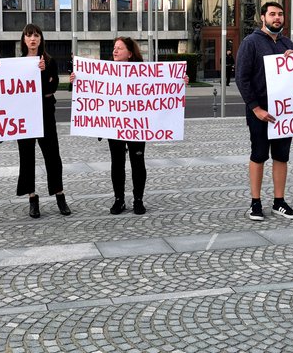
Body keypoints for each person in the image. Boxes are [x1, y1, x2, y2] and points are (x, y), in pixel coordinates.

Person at [70, 37, 189, 215]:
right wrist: (76, 80)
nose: (115, 51)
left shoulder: (143, 73)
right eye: (114, 48)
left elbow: (162, 85)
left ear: (130, 53)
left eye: (119, 48)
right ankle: (119, 200)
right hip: (115, 126)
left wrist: (180, 81)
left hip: (137, 126)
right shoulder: (105, 72)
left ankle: (138, 200)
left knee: (137, 162)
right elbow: (91, 90)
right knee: (117, 163)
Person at [235, 2, 293, 221]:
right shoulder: (250, 42)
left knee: (282, 156)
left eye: (281, 14)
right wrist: (256, 108)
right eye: (272, 14)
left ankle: (279, 202)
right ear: (263, 17)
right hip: (260, 112)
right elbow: (242, 78)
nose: (277, 18)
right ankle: (255, 203)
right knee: (259, 155)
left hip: (284, 112)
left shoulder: (287, 43)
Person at [16, 24, 71, 218]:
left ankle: (60, 195)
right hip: (24, 115)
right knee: (27, 155)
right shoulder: (17, 63)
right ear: (24, 40)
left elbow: (52, 87)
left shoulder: (49, 61)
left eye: (36, 35)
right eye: (29, 35)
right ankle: (32, 198)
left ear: (41, 39)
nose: (33, 39)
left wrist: (42, 72)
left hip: (46, 114)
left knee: (52, 155)